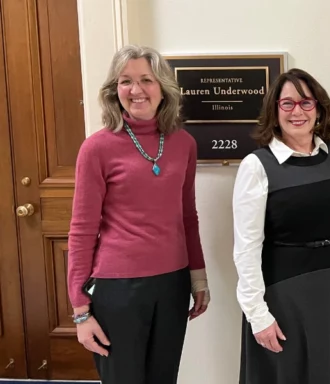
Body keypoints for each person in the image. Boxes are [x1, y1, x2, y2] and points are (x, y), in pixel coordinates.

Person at [66, 44, 210, 384]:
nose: (136, 90)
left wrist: (198, 278)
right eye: (125, 81)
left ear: (162, 88)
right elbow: (82, 229)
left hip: (173, 284)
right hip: (118, 289)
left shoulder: (184, 143)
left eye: (146, 79)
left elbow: (187, 217)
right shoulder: (97, 148)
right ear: (114, 90)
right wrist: (80, 310)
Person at [232, 68, 330, 384]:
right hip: (284, 294)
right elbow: (246, 248)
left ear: (319, 109)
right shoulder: (257, 166)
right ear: (274, 110)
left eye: (306, 103)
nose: (298, 111)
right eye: (288, 104)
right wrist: (258, 316)